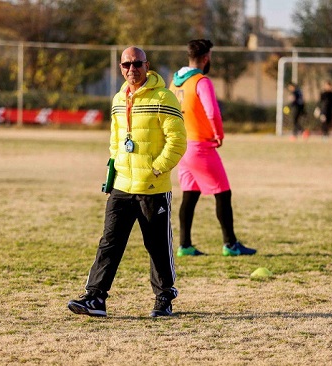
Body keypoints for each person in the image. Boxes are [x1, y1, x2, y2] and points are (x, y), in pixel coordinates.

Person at [68, 46, 187, 317]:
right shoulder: (118, 98)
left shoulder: (164, 97)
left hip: (152, 187)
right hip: (122, 185)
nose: (131, 69)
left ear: (147, 65)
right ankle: (95, 298)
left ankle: (164, 296)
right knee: (109, 241)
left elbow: (178, 141)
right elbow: (115, 138)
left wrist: (156, 169)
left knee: (157, 245)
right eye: (126, 65)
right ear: (120, 68)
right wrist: (115, 165)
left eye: (136, 64)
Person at [169, 39, 256, 257]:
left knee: (190, 195)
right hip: (200, 146)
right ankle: (230, 244)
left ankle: (185, 245)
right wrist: (219, 134)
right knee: (223, 193)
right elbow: (213, 112)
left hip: (182, 146)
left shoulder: (175, 82)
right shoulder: (201, 81)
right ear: (206, 58)